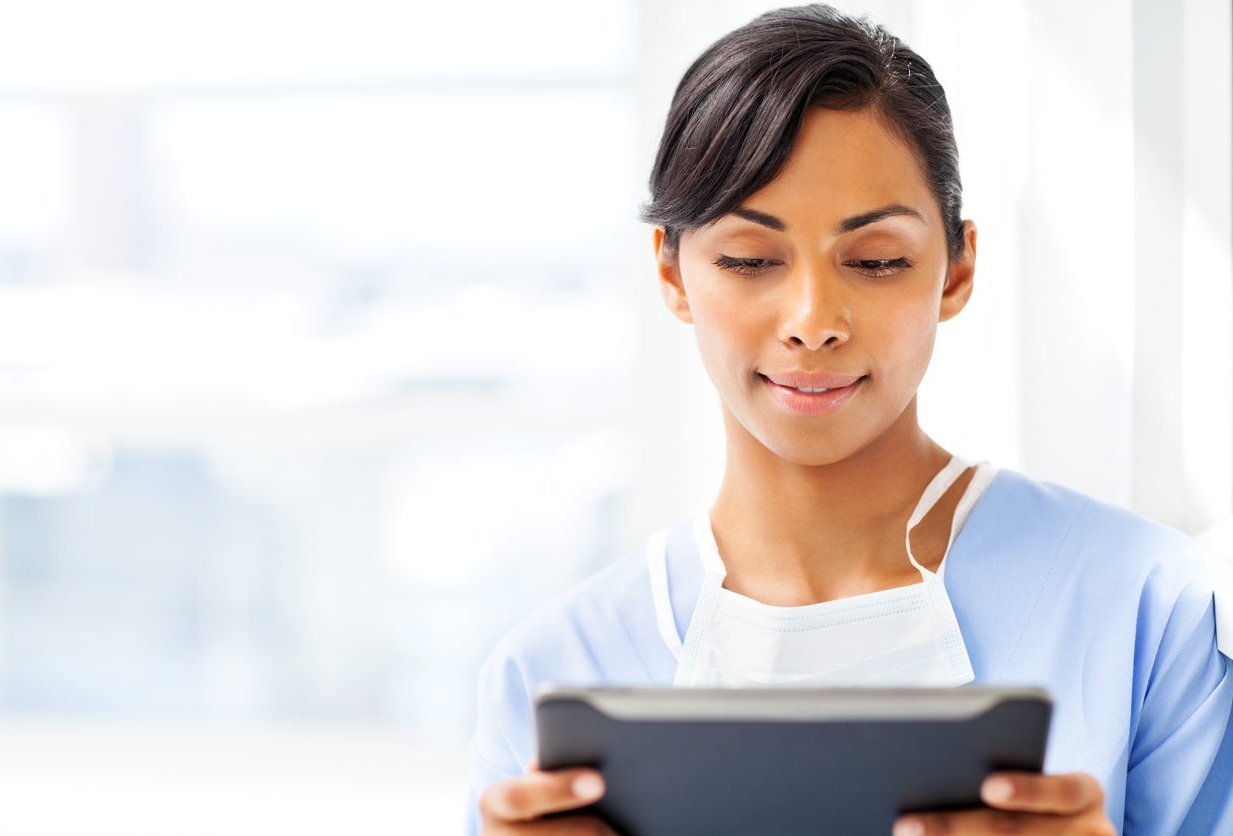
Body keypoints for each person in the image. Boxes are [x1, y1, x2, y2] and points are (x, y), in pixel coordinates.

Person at [467, 5, 1233, 834]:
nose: (812, 321)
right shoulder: (550, 672)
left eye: (876, 261)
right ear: (673, 272)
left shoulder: (1141, 607)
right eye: (749, 259)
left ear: (956, 270)